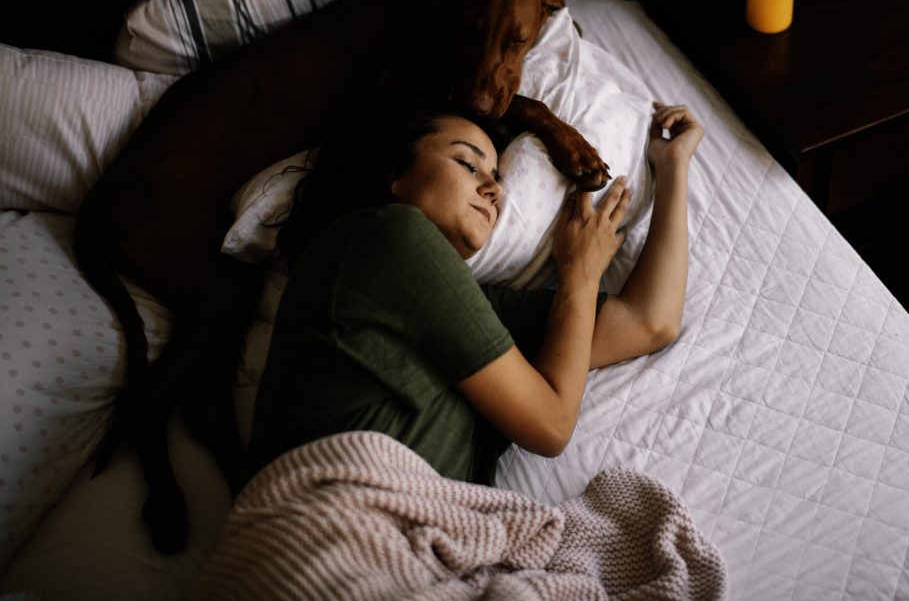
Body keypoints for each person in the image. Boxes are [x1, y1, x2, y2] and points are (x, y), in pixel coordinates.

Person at [245, 99, 703, 486]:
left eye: (497, 177)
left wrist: (672, 166)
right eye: (467, 163)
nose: (494, 190)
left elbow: (650, 322)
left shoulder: (473, 308)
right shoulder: (385, 236)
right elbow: (551, 426)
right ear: (393, 173)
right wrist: (579, 278)